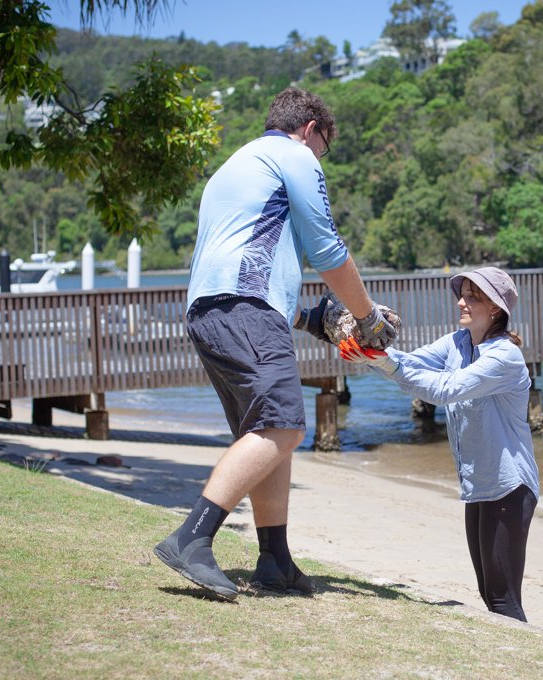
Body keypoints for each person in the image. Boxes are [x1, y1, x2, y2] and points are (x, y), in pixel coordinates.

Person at [154, 87, 398, 601]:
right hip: (246, 310)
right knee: (284, 425)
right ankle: (192, 537)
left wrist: (315, 318)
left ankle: (274, 559)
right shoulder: (293, 156)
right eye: (323, 147)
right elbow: (327, 248)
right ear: (310, 127)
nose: (320, 159)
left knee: (268, 433)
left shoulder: (236, 164)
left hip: (210, 312)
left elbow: (247, 263)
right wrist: (366, 317)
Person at [341, 267, 540, 621]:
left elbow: (446, 390)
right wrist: (370, 353)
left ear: (495, 308)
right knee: (488, 593)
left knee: (503, 599)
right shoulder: (457, 343)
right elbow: (409, 363)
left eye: (471, 296)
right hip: (479, 486)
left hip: (509, 487)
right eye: (461, 294)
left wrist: (383, 362)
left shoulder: (504, 356)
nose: (460, 302)